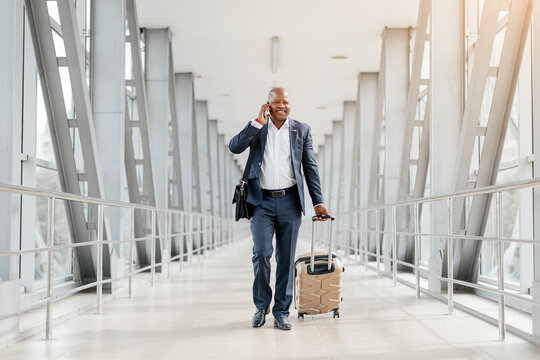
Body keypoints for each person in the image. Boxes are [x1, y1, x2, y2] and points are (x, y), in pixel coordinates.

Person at [229, 87, 331, 331]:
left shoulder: (301, 130)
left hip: (290, 201)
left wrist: (318, 201)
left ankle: (282, 311)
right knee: (262, 253)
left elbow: (310, 167)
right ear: (268, 105)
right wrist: (256, 123)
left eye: (286, 102)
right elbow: (234, 147)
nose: (282, 106)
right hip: (261, 202)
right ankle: (261, 305)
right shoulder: (257, 128)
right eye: (277, 103)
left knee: (285, 258)